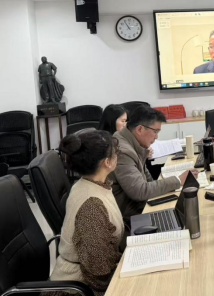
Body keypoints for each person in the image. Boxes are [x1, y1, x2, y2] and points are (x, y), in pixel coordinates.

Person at [49, 130, 124, 295]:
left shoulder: (90, 184)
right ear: (107, 162)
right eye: (116, 153)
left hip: (88, 280)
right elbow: (98, 274)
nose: (118, 156)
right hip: (78, 290)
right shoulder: (91, 206)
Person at [110, 106, 196, 220]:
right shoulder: (123, 151)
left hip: (139, 205)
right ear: (140, 129)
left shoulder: (131, 141)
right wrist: (178, 180)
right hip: (131, 215)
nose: (156, 137)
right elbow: (140, 191)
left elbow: (148, 180)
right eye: (155, 131)